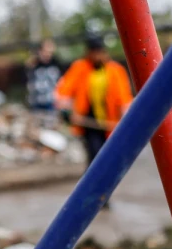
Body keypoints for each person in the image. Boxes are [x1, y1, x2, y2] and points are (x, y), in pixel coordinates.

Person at [55, 35, 133, 176]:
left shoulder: (115, 70)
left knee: (109, 159)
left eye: (100, 52)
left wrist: (126, 120)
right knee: (95, 156)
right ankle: (94, 193)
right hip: (88, 122)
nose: (97, 56)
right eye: (94, 52)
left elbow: (124, 98)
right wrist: (65, 111)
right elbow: (64, 91)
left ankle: (101, 193)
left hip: (110, 123)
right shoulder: (80, 68)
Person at [26, 38, 65, 127]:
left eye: (50, 51)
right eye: (46, 51)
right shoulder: (33, 64)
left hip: (51, 103)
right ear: (40, 51)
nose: (48, 54)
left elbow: (61, 82)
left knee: (50, 128)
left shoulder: (56, 63)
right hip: (36, 103)